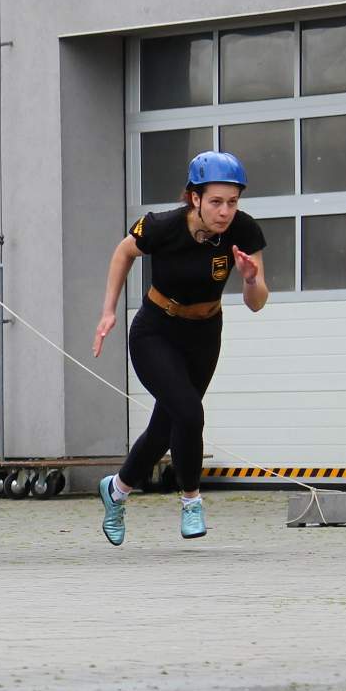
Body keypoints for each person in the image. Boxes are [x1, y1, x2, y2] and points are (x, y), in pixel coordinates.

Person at [92, 150, 267, 545]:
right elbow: (123, 253)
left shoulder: (244, 231)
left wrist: (250, 279)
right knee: (188, 413)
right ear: (195, 198)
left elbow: (257, 303)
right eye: (216, 201)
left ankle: (116, 490)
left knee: (165, 427)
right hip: (156, 330)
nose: (225, 211)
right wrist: (108, 311)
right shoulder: (163, 226)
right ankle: (191, 500)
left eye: (233, 202)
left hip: (204, 333)